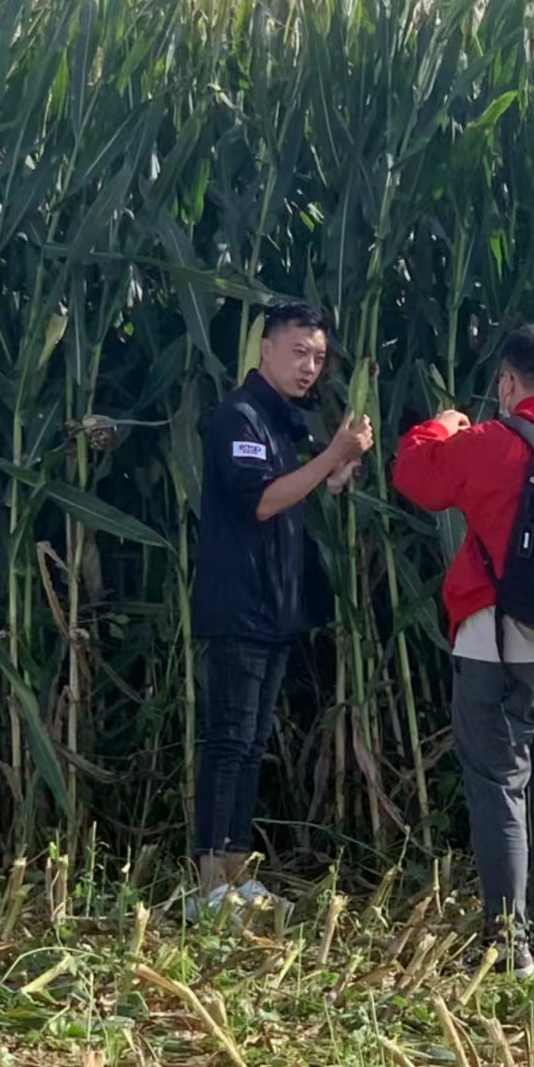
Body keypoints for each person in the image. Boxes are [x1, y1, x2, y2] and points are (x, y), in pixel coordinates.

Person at [392, 323, 534, 976]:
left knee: (499, 790)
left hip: (499, 648)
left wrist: (438, 426)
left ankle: (508, 947)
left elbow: (414, 477)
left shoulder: (488, 441)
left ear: (506, 382)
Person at [191, 302, 373, 903]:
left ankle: (236, 875)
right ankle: (209, 882)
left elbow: (292, 491)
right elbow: (263, 501)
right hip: (238, 605)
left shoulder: (280, 421)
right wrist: (332, 456)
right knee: (229, 742)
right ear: (264, 350)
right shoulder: (239, 417)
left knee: (251, 747)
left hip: (274, 608)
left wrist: (334, 474)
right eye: (298, 353)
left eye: (318, 357)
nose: (309, 367)